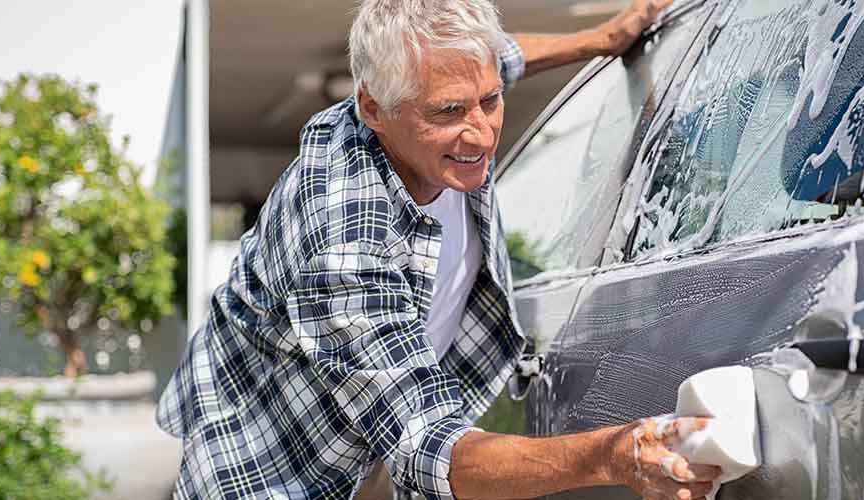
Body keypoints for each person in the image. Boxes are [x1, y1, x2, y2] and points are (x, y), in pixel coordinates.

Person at [156, 1, 721, 499]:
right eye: (448, 113)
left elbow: (501, 58)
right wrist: (613, 455)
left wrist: (602, 38)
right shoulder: (344, 237)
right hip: (267, 472)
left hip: (363, 455)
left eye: (490, 101)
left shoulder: (446, 81)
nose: (479, 133)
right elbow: (428, 448)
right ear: (373, 109)